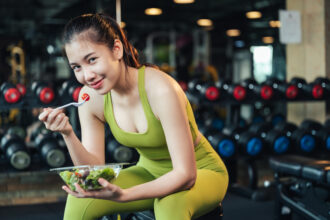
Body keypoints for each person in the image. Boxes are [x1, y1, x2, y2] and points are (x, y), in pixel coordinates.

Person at [38, 13, 228, 220]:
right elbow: (93, 170)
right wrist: (67, 134)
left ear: (116, 49)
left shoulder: (161, 89)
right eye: (77, 67)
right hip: (148, 171)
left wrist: (124, 195)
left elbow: (186, 175)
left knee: (170, 203)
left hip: (201, 172)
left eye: (92, 60)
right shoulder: (89, 97)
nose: (87, 75)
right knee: (81, 198)